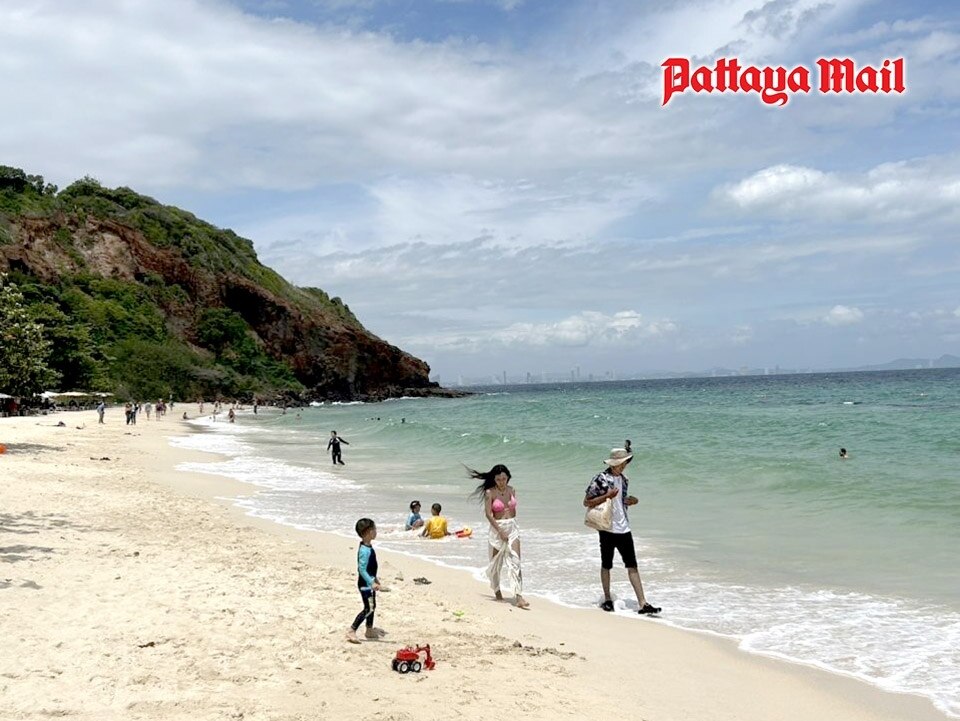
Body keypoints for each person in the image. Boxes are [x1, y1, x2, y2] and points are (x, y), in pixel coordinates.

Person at [583, 448, 660, 615]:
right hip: (607, 528)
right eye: (621, 464)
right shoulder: (601, 478)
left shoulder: (624, 480)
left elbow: (619, 502)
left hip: (624, 528)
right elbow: (586, 502)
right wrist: (607, 496)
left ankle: (643, 603)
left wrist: (630, 501)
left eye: (625, 463)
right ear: (614, 464)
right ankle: (607, 600)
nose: (623, 467)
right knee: (606, 564)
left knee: (632, 565)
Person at [470, 464, 529, 609]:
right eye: (499, 479)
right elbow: (488, 514)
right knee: (496, 563)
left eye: (504, 478)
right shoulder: (490, 493)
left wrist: (511, 523)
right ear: (494, 479)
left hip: (512, 527)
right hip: (497, 528)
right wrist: (500, 531)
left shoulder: (512, 490)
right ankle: (497, 592)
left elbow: (514, 511)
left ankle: (518, 596)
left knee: (515, 561)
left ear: (508, 477)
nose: (502, 481)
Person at [346, 518, 384, 643]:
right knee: (368, 608)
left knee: (372, 606)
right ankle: (352, 630)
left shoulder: (367, 547)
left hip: (370, 583)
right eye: (374, 529)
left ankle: (369, 629)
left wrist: (375, 579)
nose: (376, 531)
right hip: (365, 585)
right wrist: (371, 582)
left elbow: (370, 567)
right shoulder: (364, 551)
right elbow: (362, 569)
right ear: (368, 531)